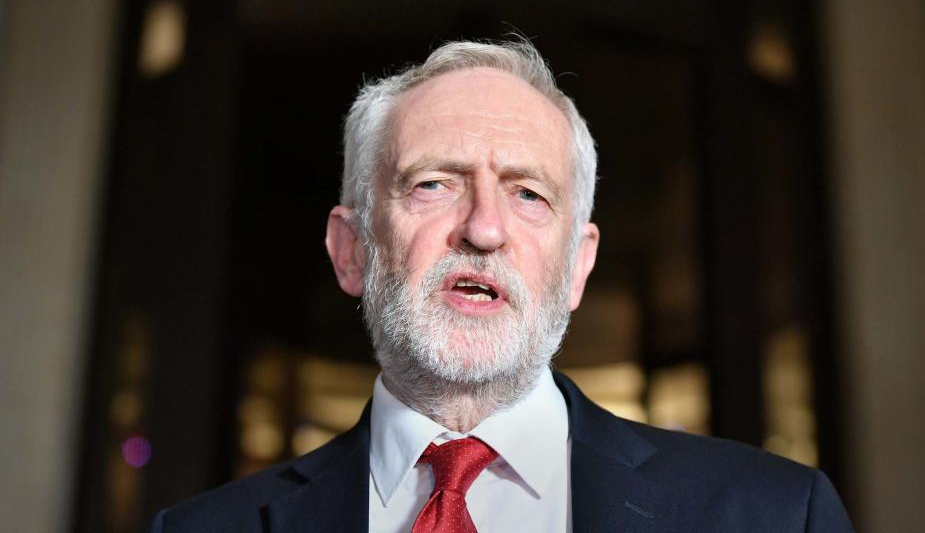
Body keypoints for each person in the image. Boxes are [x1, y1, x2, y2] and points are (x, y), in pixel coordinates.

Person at [151, 39, 854, 532]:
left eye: (528, 195)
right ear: (352, 250)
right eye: (433, 184)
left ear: (577, 266)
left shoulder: (774, 516)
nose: (483, 229)